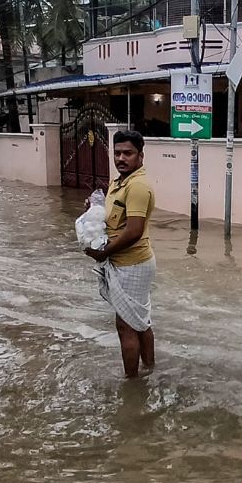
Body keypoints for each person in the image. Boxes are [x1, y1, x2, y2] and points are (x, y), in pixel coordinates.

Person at [85, 130, 156, 378]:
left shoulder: (137, 186)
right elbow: (116, 218)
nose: (121, 158)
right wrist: (95, 208)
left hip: (131, 263)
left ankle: (132, 384)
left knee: (126, 326)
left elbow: (134, 230)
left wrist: (102, 253)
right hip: (128, 262)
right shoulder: (120, 181)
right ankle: (149, 369)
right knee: (139, 321)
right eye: (117, 153)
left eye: (128, 153)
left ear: (141, 156)